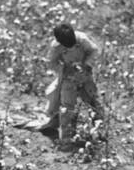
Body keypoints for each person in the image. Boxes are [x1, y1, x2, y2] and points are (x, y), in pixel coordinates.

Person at [44, 22, 104, 150]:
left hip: (85, 75)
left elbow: (94, 51)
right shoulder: (56, 47)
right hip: (68, 79)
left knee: (94, 102)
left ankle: (100, 132)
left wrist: (86, 64)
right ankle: (67, 138)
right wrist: (65, 68)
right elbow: (51, 62)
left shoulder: (82, 39)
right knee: (67, 108)